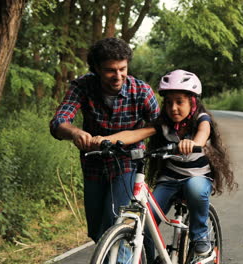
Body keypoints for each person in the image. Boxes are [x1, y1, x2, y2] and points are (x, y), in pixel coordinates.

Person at [93, 69, 236, 261]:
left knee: (195, 188)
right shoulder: (164, 123)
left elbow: (203, 132)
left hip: (198, 176)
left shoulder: (201, 119)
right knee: (146, 218)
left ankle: (201, 237)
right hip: (170, 179)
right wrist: (106, 140)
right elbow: (135, 134)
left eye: (179, 102)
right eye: (168, 102)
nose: (173, 108)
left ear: (192, 102)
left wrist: (194, 143)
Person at [49, 37, 160, 243]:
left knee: (114, 225)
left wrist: (122, 139)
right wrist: (75, 132)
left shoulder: (142, 91)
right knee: (97, 232)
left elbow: (159, 126)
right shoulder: (83, 86)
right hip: (94, 163)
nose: (118, 76)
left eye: (122, 69)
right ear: (97, 69)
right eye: (110, 70)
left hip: (127, 162)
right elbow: (59, 121)